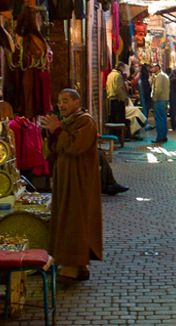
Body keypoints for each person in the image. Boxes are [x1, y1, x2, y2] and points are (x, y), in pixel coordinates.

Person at [40, 89, 103, 283]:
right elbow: (49, 152)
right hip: (64, 179)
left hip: (79, 181)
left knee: (75, 220)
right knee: (67, 218)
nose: (61, 105)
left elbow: (75, 147)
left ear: (76, 103)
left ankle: (71, 267)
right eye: (59, 101)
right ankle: (79, 265)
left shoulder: (85, 122)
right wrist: (51, 134)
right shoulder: (65, 122)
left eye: (65, 101)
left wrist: (58, 130)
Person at [150, 63, 170, 143]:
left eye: (153, 67)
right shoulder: (163, 75)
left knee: (159, 119)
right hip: (163, 100)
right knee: (163, 118)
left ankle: (160, 137)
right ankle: (163, 136)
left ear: (157, 67)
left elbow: (158, 89)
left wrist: (154, 98)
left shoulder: (159, 76)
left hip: (159, 100)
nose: (152, 69)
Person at [106, 62, 129, 127]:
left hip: (111, 99)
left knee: (113, 120)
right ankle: (119, 135)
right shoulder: (118, 76)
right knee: (119, 121)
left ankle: (114, 135)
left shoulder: (110, 75)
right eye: (123, 68)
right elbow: (119, 89)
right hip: (118, 100)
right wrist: (123, 99)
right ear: (120, 67)